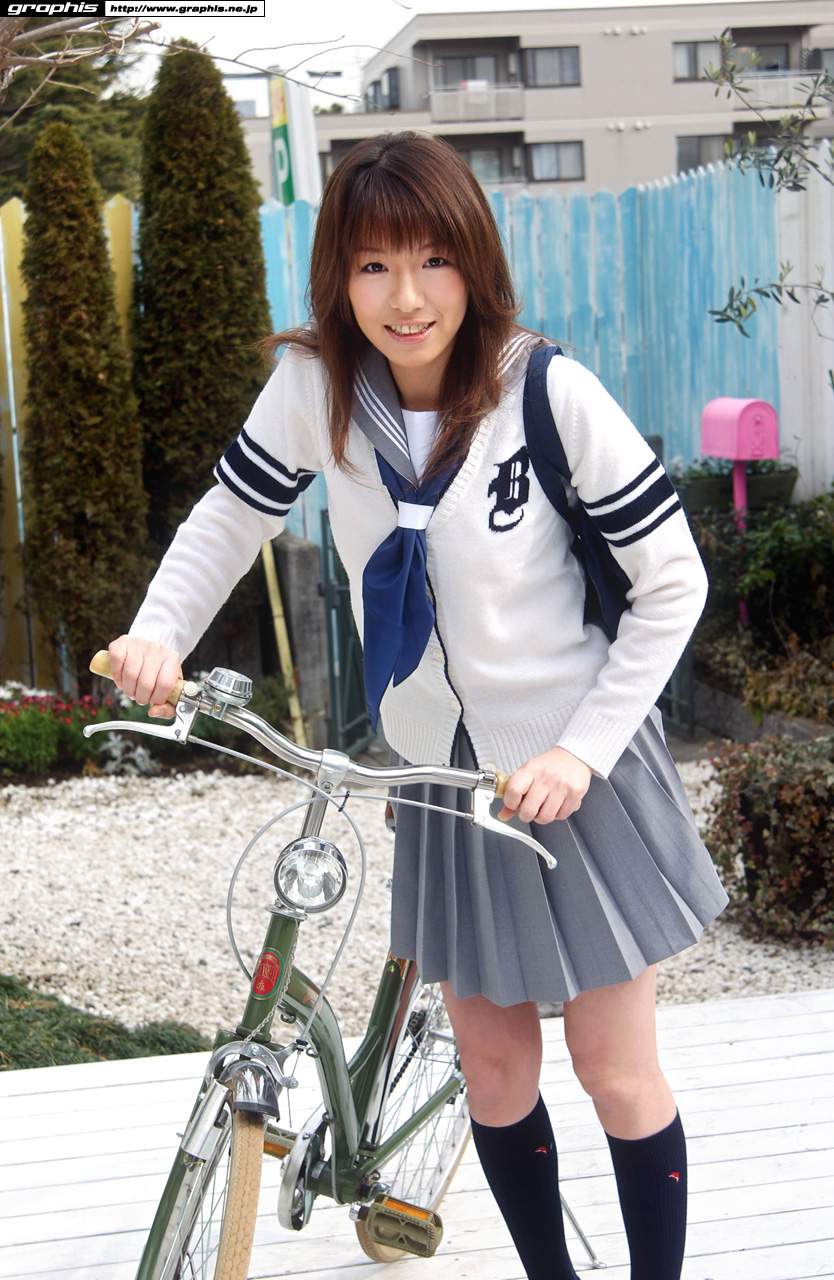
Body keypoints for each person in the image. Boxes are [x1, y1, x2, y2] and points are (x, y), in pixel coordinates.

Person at [108, 131, 730, 1280]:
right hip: (442, 780)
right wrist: (158, 633)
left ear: (474, 261)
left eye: (434, 260)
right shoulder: (317, 390)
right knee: (493, 1073)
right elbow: (230, 515)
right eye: (374, 265)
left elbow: (674, 580)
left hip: (575, 763)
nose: (407, 297)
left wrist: (583, 751)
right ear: (339, 278)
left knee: (612, 1066)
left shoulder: (545, 390)